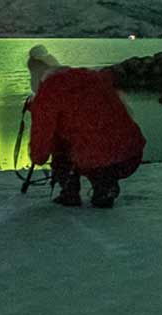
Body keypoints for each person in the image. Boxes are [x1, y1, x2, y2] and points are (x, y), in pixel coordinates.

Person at [25, 45, 146, 208]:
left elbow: (43, 136)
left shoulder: (49, 91)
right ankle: (104, 186)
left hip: (98, 154)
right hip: (130, 151)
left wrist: (38, 157)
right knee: (94, 143)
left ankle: (71, 191)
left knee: (66, 147)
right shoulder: (92, 78)